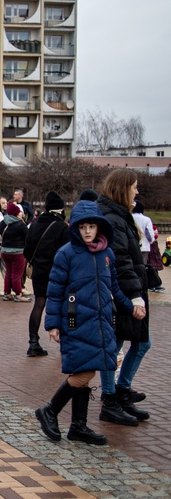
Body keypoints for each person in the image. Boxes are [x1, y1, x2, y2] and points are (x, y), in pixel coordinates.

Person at [36, 200, 141, 446]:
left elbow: (113, 287)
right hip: (75, 320)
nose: (87, 231)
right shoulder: (67, 253)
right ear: (75, 228)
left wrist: (131, 306)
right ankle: (50, 410)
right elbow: (54, 290)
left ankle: (78, 426)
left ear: (99, 228)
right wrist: (52, 324)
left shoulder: (107, 254)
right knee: (85, 372)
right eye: (82, 227)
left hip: (101, 322)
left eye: (91, 227)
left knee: (85, 370)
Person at [97, 169, 151, 426]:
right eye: (134, 187)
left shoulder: (120, 216)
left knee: (140, 342)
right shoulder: (113, 218)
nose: (137, 192)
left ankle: (121, 391)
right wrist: (134, 296)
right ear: (123, 188)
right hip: (122, 292)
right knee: (115, 346)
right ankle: (111, 399)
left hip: (130, 287)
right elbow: (120, 259)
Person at [23, 191, 70, 357]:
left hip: (39, 271)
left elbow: (27, 250)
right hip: (57, 273)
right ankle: (66, 343)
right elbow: (67, 252)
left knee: (39, 304)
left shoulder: (35, 224)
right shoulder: (62, 227)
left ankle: (33, 342)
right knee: (64, 306)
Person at [0, 202, 30, 302]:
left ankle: (7, 293)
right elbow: (27, 237)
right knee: (17, 274)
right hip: (18, 252)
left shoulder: (3, 222)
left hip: (5, 251)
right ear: (17, 214)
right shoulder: (20, 224)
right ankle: (18, 293)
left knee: (8, 272)